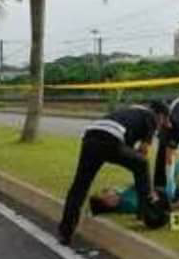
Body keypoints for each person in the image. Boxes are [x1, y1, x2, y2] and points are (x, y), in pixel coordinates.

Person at [58, 100, 170, 246]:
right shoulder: (151, 117)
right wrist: (146, 187)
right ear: (160, 115)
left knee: (79, 186)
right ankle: (148, 214)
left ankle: (65, 232)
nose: (163, 125)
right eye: (164, 120)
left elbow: (128, 149)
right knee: (142, 164)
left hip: (90, 137)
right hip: (110, 139)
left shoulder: (130, 111)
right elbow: (143, 151)